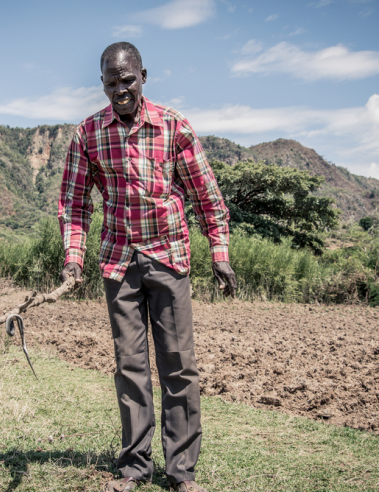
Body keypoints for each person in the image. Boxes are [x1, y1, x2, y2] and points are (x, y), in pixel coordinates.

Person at [58, 42, 236, 492]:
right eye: (111, 81)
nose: (120, 89)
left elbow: (207, 197)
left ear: (143, 76)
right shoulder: (88, 134)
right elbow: (75, 205)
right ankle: (135, 467)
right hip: (119, 262)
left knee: (178, 366)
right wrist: (72, 261)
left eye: (128, 79)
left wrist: (220, 254)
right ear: (102, 83)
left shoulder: (173, 126)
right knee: (130, 366)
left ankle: (181, 472)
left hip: (169, 257)